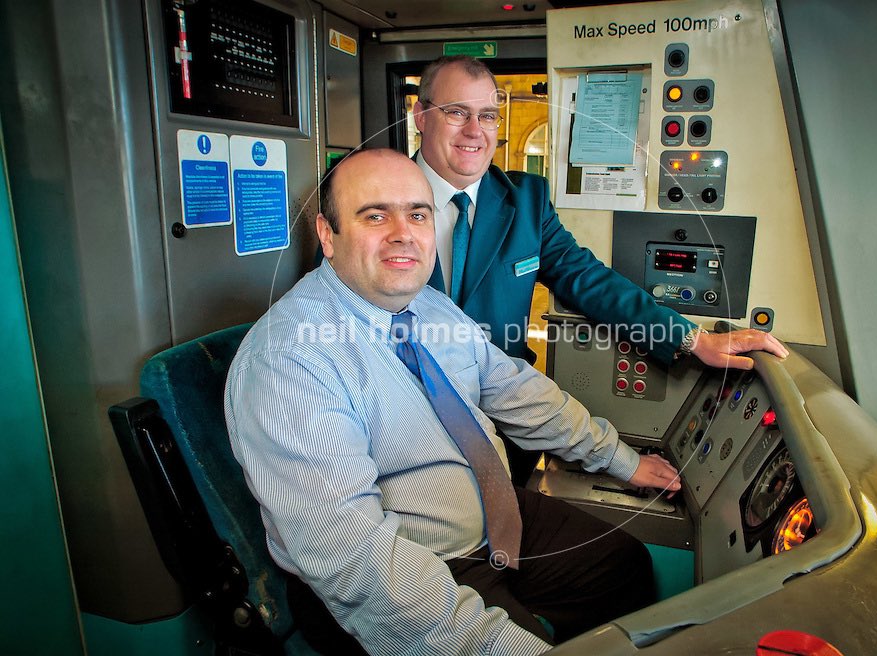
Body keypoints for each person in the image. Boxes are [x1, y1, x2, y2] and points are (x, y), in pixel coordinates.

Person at [225, 149, 686, 656]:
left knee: (623, 567)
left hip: (495, 514)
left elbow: (513, 387)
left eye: (418, 214)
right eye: (375, 214)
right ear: (328, 235)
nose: (403, 232)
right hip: (409, 566)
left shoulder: (427, 302)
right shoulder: (290, 358)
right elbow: (357, 564)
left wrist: (619, 458)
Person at [411, 56, 789, 481]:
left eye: (488, 116)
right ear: (421, 116)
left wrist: (691, 338)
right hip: (408, 436)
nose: (475, 132)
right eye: (457, 112)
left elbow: (586, 278)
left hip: (503, 433)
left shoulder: (526, 201)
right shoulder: (374, 198)